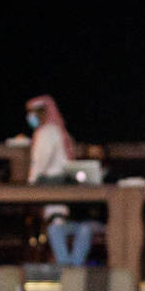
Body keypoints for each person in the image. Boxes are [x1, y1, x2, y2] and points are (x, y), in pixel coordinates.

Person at [27, 94, 96, 267]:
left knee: (57, 223)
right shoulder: (58, 131)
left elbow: (41, 161)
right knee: (60, 226)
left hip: (53, 183)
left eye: (33, 113)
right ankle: (68, 266)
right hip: (64, 184)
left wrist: (31, 182)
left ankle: (66, 267)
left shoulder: (47, 132)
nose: (31, 117)